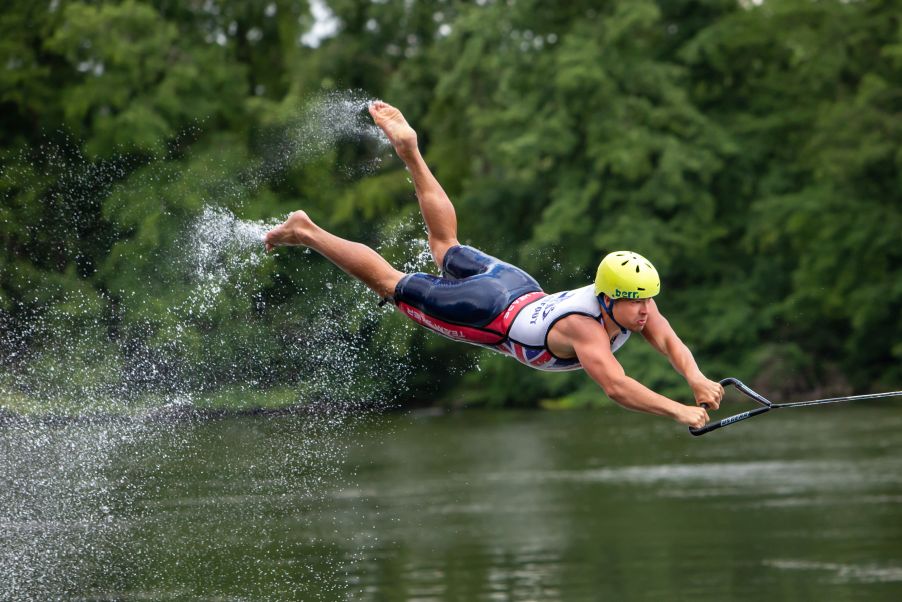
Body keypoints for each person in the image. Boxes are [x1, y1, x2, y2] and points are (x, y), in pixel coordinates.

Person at [264, 101, 723, 429]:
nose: (645, 311)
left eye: (647, 301)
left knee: (445, 243)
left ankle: (410, 151)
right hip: (484, 309)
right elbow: (617, 387)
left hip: (514, 284)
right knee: (389, 282)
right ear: (607, 297)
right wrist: (678, 409)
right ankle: (307, 232)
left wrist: (696, 377)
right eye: (636, 302)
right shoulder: (585, 328)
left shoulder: (633, 304)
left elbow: (669, 340)